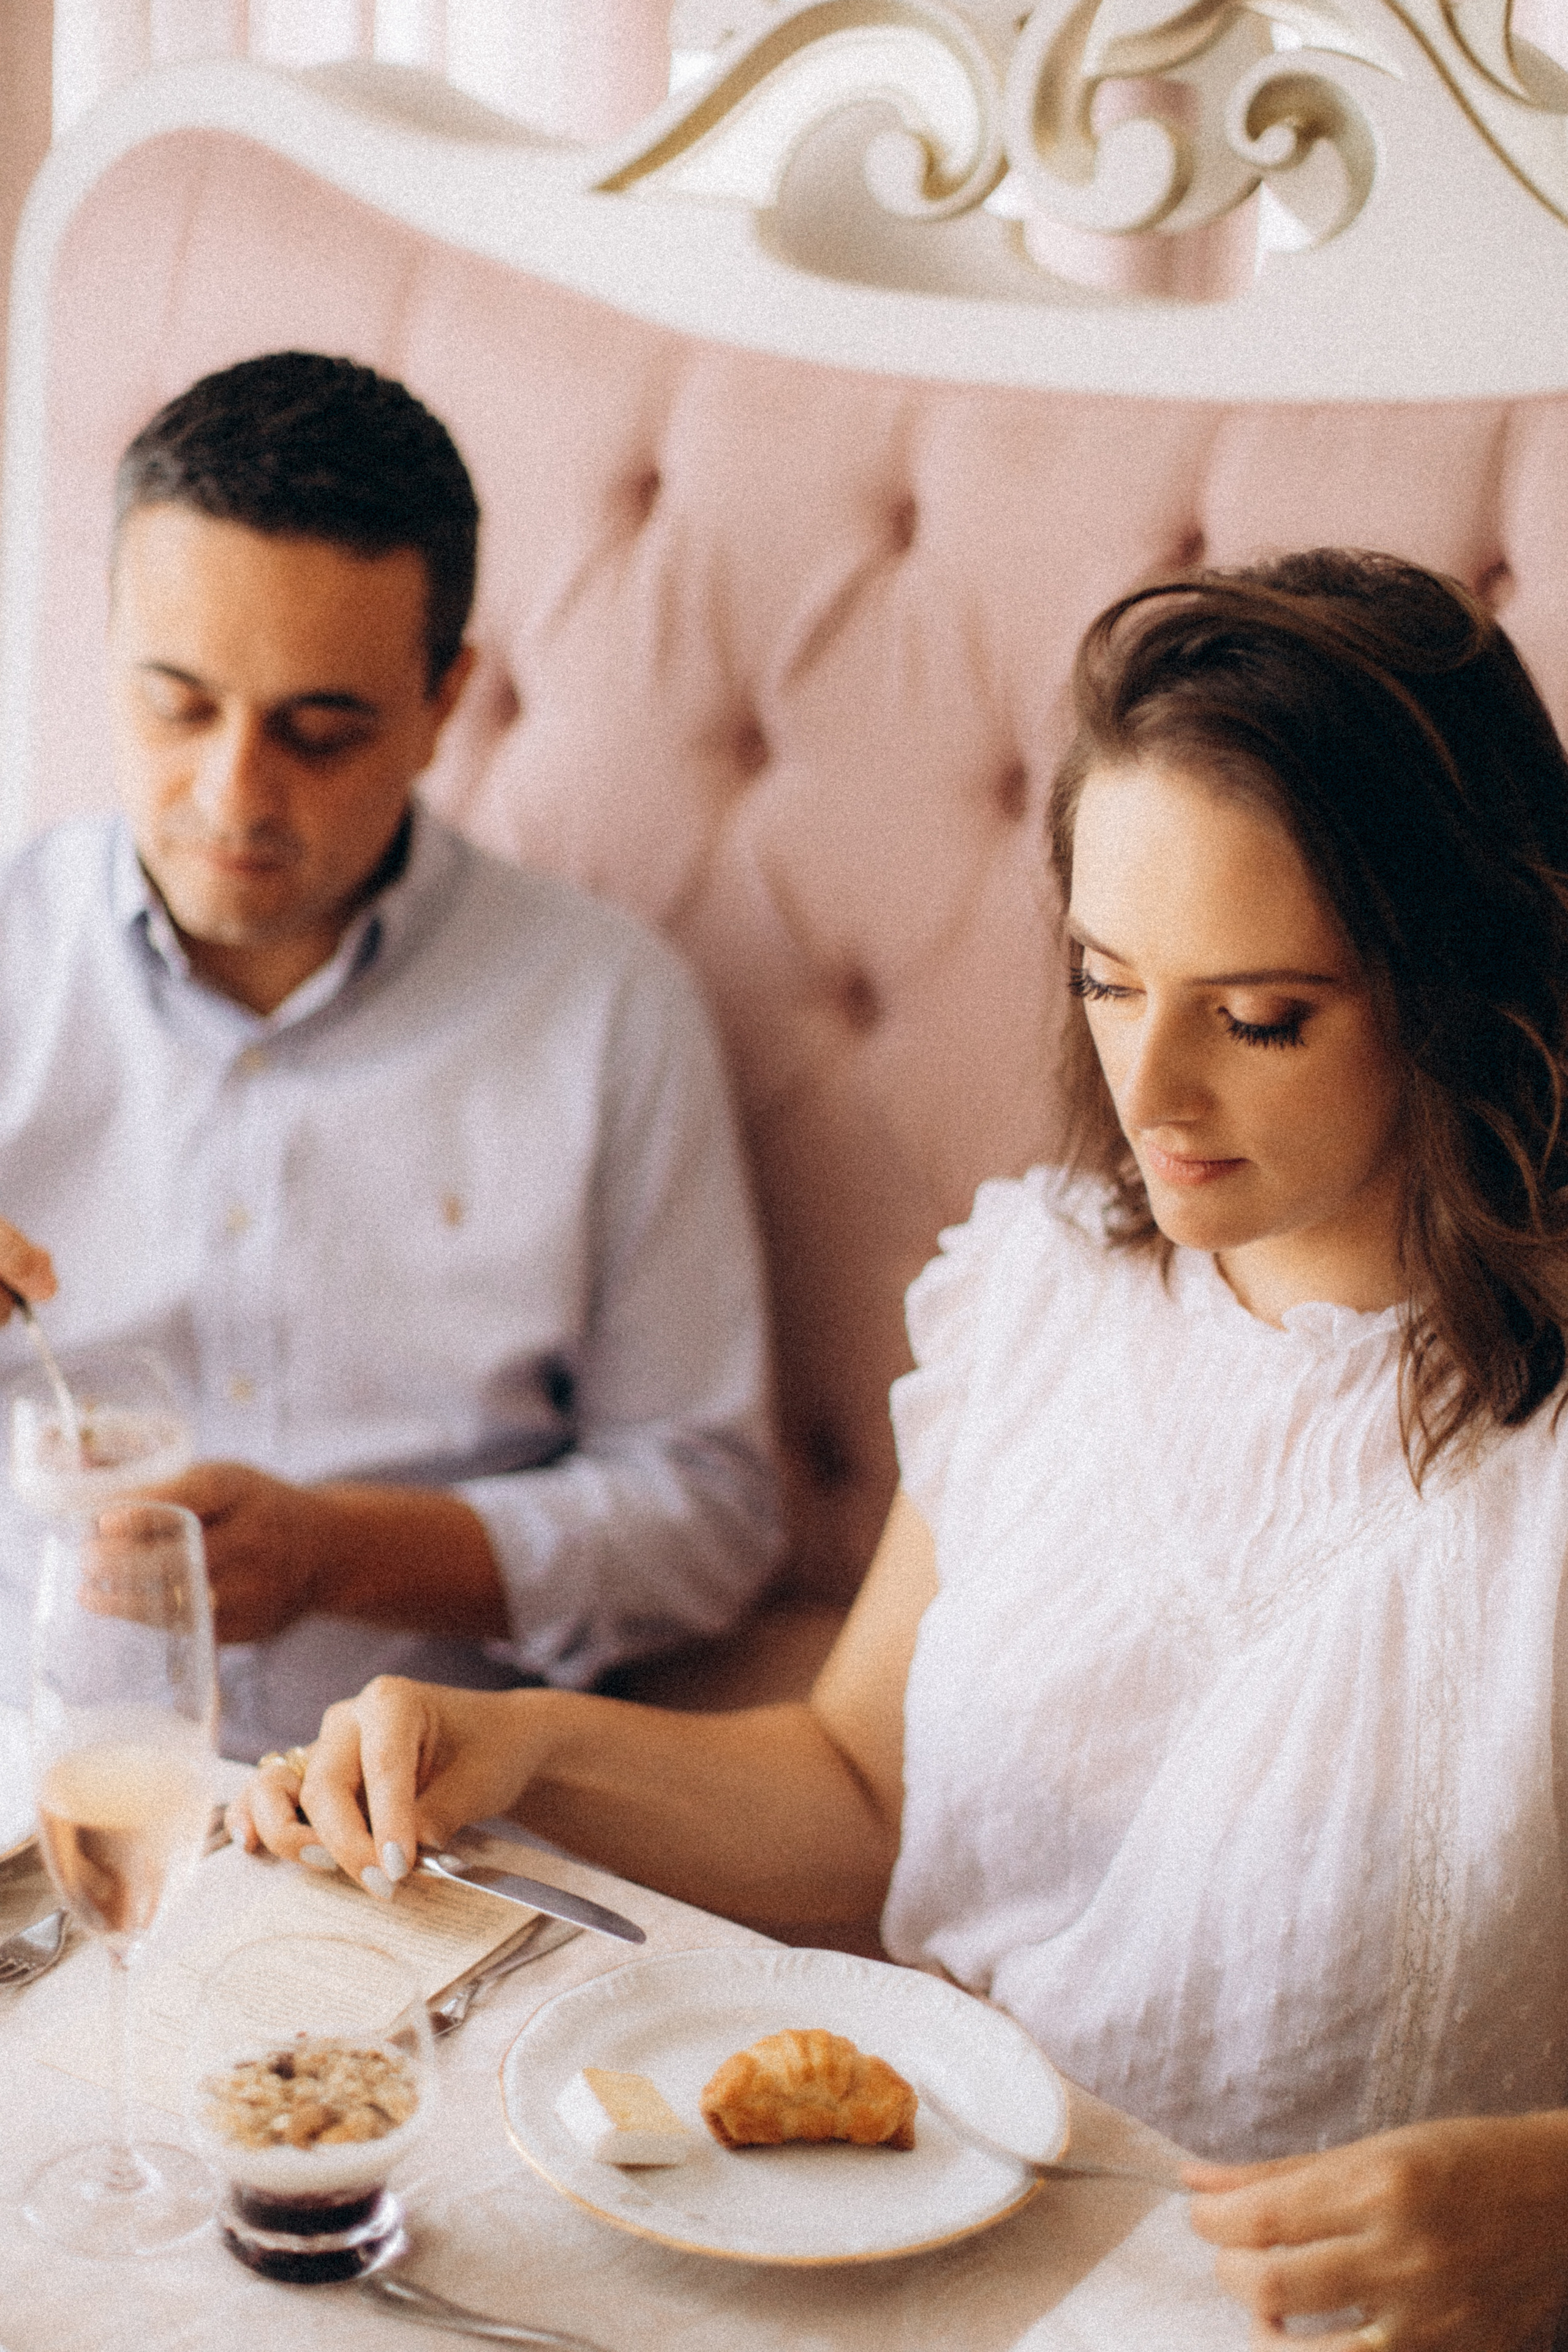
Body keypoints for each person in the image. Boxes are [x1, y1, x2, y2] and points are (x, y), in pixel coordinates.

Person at [235, 548, 1568, 2349]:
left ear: (1465, 982)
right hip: (928, 2268)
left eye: (1261, 1017)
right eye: (1108, 981)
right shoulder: (1047, 1298)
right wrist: (518, 1747)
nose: (1149, 1091)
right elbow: (864, 1801)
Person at [0, 350, 779, 1762]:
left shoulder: (607, 1010)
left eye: (321, 729)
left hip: (425, 1834)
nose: (234, 795)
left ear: (442, 700)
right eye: (178, 705)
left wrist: (341, 1555)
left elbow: (709, 1518)